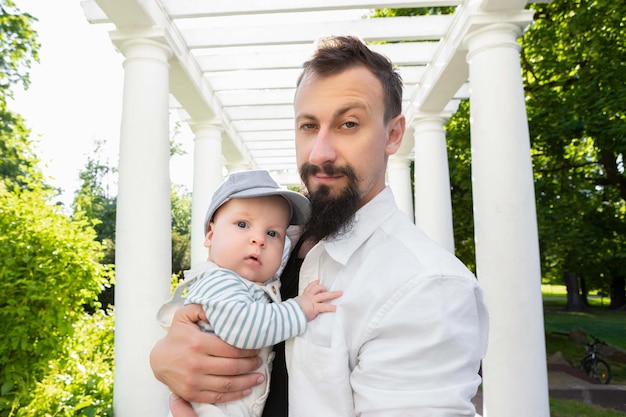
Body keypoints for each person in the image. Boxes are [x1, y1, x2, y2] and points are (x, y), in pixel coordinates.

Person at [151, 35, 489, 417]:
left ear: (393, 134)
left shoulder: (428, 287)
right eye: (309, 126)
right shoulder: (278, 241)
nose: (321, 153)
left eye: (348, 123)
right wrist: (164, 356)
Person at [157, 169, 342, 417]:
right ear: (210, 234)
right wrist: (301, 308)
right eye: (242, 224)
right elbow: (247, 329)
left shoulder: (249, 282)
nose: (259, 239)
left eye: (273, 233)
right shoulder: (219, 281)